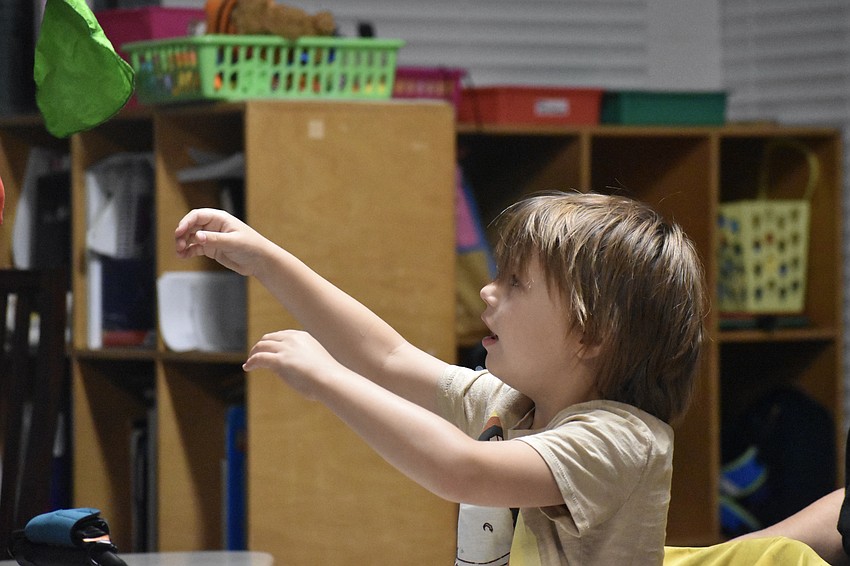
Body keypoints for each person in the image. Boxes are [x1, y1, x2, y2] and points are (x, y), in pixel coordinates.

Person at [174, 191, 707, 565]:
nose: (487, 293)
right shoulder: (511, 406)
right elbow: (387, 356)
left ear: (590, 335)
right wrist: (265, 260)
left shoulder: (620, 441)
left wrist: (327, 380)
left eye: (516, 283)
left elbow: (463, 470)